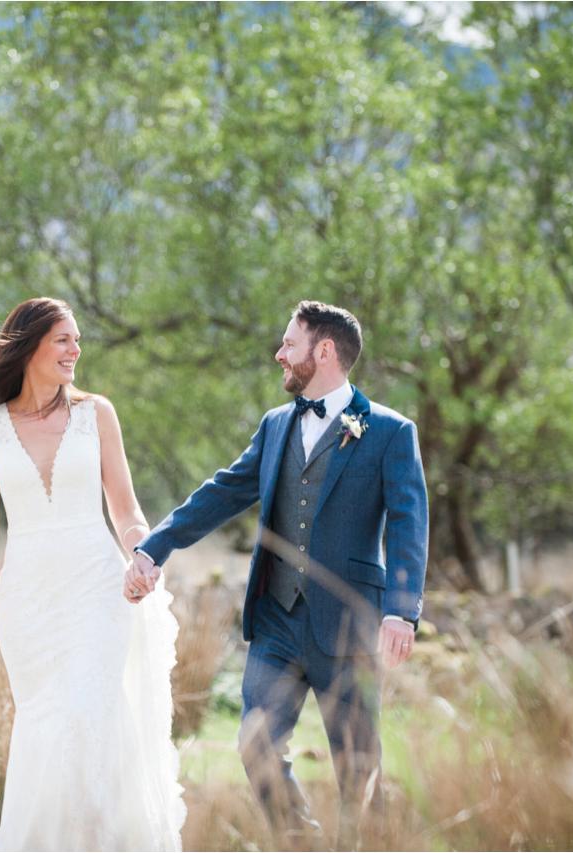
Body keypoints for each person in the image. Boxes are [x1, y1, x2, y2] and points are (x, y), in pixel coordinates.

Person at [127, 300, 428, 848]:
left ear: (325, 351)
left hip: (348, 628)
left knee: (360, 769)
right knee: (255, 745)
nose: (279, 354)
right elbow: (222, 493)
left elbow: (409, 524)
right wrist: (155, 547)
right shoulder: (274, 426)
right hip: (276, 621)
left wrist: (400, 611)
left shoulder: (389, 431)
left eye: (289, 344)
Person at [0, 297, 185, 851]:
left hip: (96, 590)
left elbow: (127, 510)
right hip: (28, 601)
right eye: (64, 339)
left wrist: (143, 553)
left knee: (89, 718)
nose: (75, 350)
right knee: (45, 727)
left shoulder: (97, 413)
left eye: (77, 340)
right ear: (30, 344)